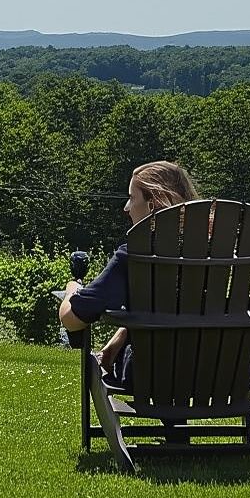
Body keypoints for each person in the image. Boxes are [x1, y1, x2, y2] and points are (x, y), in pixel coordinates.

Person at [58, 160, 199, 386]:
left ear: (153, 205)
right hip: (221, 375)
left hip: (150, 377)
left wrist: (71, 290)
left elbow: (73, 319)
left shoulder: (134, 255)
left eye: (132, 198)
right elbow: (172, 313)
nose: (126, 207)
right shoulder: (213, 253)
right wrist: (117, 340)